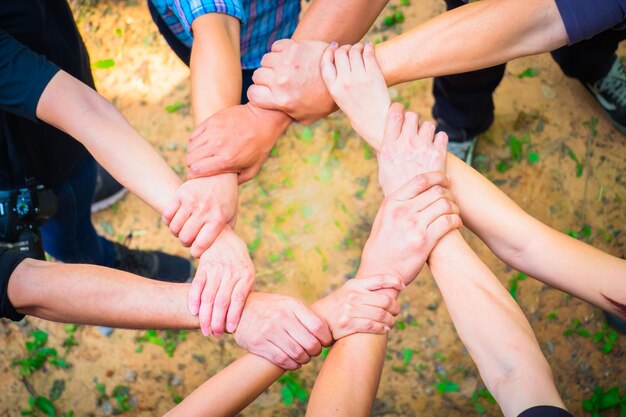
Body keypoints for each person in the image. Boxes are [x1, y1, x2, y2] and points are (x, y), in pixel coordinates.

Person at [0, 1, 193, 281]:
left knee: (83, 174)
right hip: (31, 162)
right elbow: (86, 111)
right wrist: (198, 222)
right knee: (71, 239)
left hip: (60, 66)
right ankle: (112, 265)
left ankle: (92, 182)